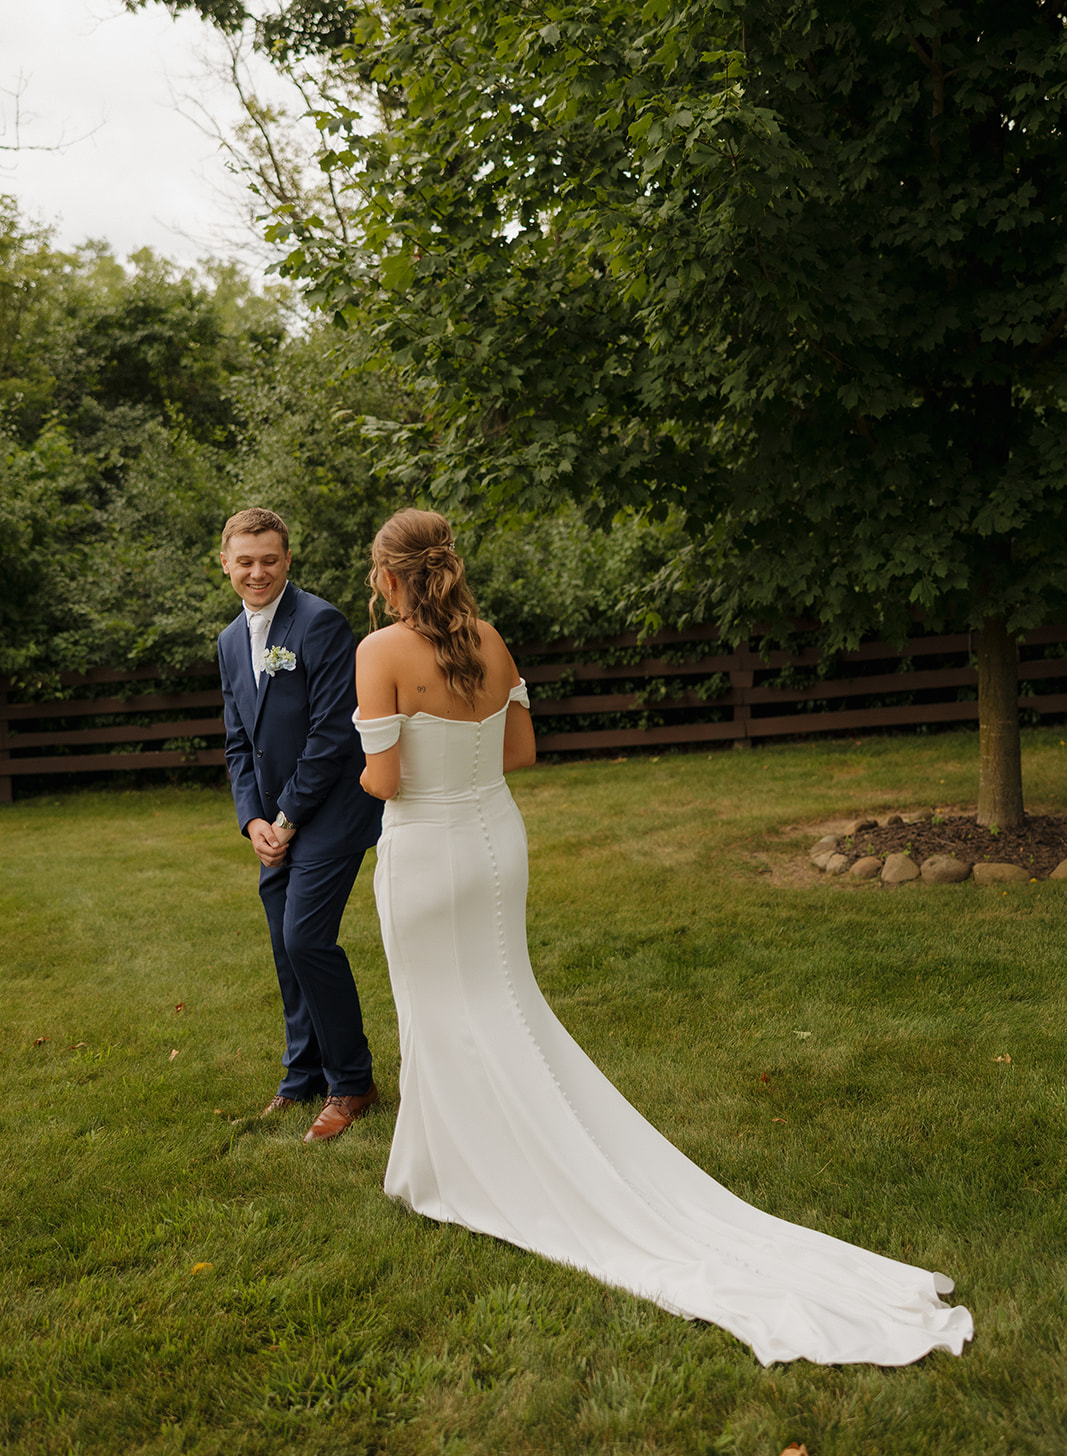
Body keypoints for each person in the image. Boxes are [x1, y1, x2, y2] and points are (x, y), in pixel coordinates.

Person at [352, 507, 974, 1368]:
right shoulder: (490, 640)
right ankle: (463, 1155)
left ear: (387, 576)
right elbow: (520, 753)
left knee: (443, 1004)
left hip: (426, 849)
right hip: (495, 842)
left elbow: (382, 781)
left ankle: (452, 1168)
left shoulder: (377, 653)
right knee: (500, 997)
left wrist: (361, 759)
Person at [218, 507, 382, 1141]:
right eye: (245, 561)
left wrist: (286, 818)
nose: (257, 572)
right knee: (287, 950)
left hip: (332, 811)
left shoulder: (320, 623)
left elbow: (334, 733)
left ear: (287, 560)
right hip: (272, 822)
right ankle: (302, 1074)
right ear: (226, 563)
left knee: (307, 939)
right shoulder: (231, 641)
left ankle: (352, 1082)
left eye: (269, 560)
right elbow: (238, 743)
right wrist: (252, 819)